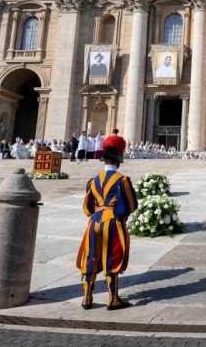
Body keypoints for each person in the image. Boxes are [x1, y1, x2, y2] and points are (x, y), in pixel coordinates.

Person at [76, 132, 138, 310]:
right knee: (112, 256)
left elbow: (87, 208)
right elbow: (130, 205)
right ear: (119, 160)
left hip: (94, 221)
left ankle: (87, 298)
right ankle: (113, 299)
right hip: (112, 222)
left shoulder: (93, 181)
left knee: (91, 257)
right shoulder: (122, 180)